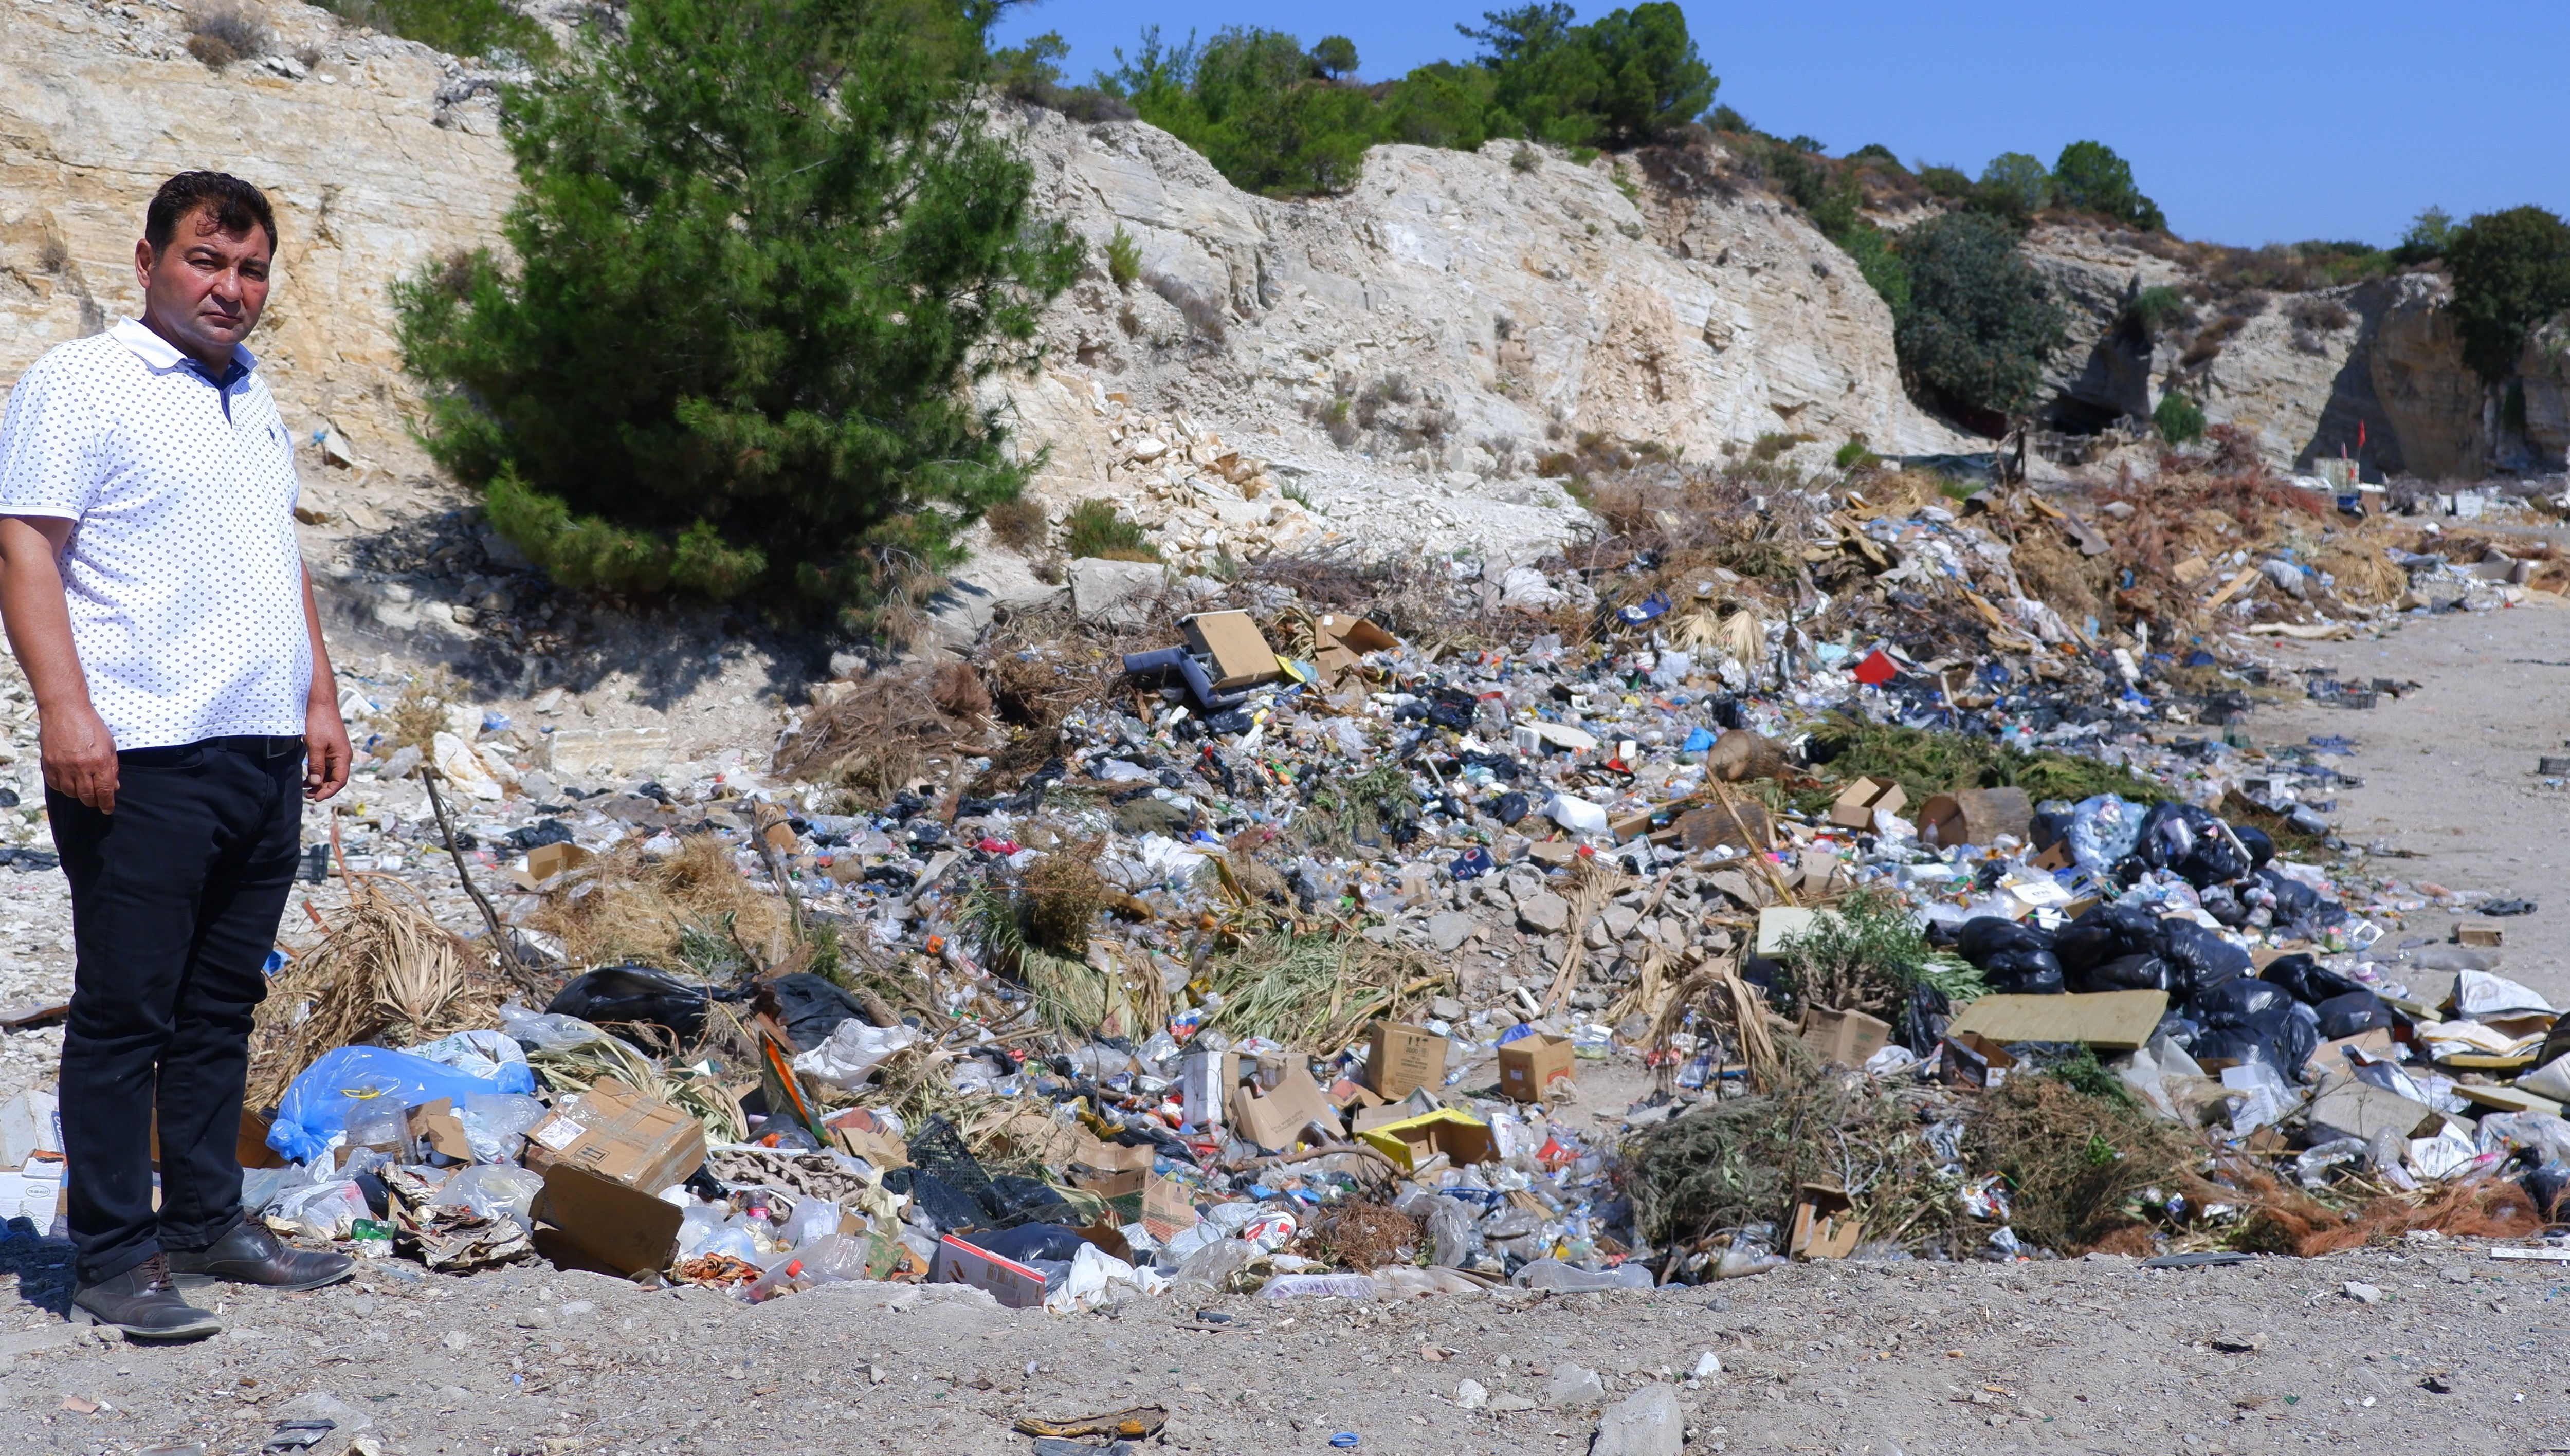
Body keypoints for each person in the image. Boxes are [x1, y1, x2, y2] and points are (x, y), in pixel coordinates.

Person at [0, 171, 355, 1339]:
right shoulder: (81, 382)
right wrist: (66, 711)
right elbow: (25, 546)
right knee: (125, 1011)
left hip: (258, 750)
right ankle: (110, 1253)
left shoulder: (250, 393)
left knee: (218, 1008)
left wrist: (321, 696)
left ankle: (206, 1221)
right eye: (208, 261)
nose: (230, 288)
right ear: (147, 258)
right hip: (142, 750)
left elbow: (279, 559)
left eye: (251, 269)